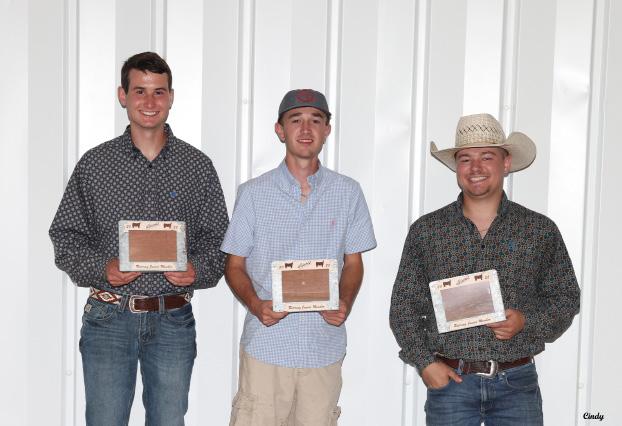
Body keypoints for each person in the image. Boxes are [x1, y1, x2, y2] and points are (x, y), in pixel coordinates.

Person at [49, 51, 229, 425]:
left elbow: (218, 240)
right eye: (140, 91)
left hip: (173, 318)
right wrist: (104, 269)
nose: (150, 102)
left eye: (159, 92)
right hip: (108, 318)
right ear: (123, 95)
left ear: (171, 97)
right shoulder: (95, 165)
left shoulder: (197, 167)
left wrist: (196, 270)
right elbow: (65, 236)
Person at [390, 113, 580, 425]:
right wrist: (425, 363)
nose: (475, 168)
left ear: (506, 163)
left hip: (517, 384)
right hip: (450, 385)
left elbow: (566, 297)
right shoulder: (427, 231)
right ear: (457, 167)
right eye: (465, 159)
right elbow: (403, 307)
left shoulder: (538, 230)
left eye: (487, 157)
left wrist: (526, 321)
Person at [221, 89, 376, 425]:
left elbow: (354, 263)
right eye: (296, 120)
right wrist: (256, 305)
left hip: (323, 347)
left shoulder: (348, 192)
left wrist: (344, 303)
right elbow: (234, 265)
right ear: (280, 130)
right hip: (267, 346)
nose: (306, 129)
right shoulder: (253, 193)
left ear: (327, 130)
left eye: (315, 120)